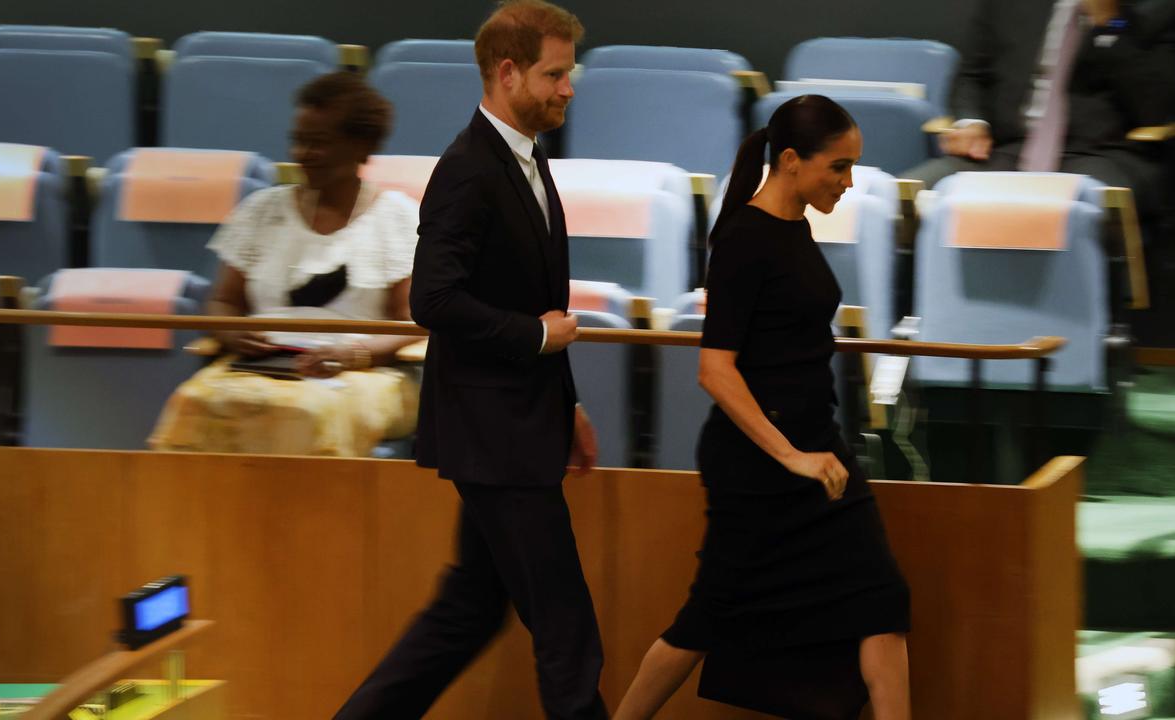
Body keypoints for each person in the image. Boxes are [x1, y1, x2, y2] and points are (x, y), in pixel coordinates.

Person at [332, 2, 606, 718]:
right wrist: (535, 340)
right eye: (554, 74)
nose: (567, 88)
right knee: (567, 630)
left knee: (467, 612)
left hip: (517, 426)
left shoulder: (523, 160)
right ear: (507, 73)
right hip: (495, 437)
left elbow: (542, 299)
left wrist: (566, 402)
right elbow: (434, 300)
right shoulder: (467, 169)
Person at [613, 96, 911, 720]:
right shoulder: (746, 238)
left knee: (881, 601)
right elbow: (714, 369)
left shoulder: (793, 225)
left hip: (814, 444)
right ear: (793, 161)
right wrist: (793, 457)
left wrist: (810, 451)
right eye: (839, 166)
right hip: (758, 463)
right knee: (707, 615)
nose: (849, 182)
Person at [150, 72, 421, 457]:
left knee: (307, 412)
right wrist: (231, 334)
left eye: (319, 143)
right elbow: (223, 302)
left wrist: (355, 355)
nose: (303, 154)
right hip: (265, 366)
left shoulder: (398, 217)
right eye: (299, 141)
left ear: (362, 148)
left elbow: (413, 320)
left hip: (362, 372)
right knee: (192, 403)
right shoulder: (261, 210)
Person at [905, 0, 1175, 216]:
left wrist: (1110, 23)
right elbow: (972, 75)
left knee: (1071, 214)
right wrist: (972, 122)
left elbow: (1154, 106)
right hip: (1005, 151)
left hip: (1098, 155)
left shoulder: (1152, 10)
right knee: (906, 196)